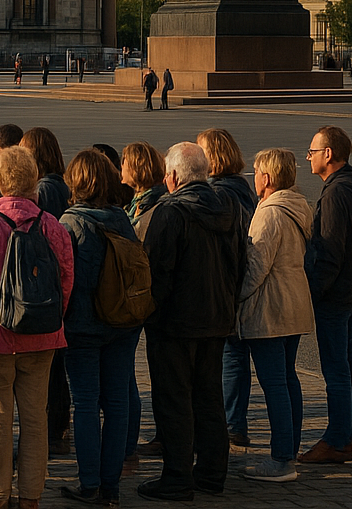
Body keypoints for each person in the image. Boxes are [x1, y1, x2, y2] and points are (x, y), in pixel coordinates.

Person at [0, 145, 75, 509]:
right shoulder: (52, 224)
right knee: (36, 418)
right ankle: (31, 496)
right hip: (42, 335)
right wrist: (52, 317)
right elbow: (66, 280)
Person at [139, 141, 245, 502]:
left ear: (171, 176)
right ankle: (213, 473)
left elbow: (157, 271)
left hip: (175, 322)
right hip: (216, 317)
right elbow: (241, 262)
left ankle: (177, 475)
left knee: (174, 400)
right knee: (209, 396)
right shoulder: (228, 205)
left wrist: (150, 314)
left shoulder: (170, 211)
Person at [60, 149, 143, 507]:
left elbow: (69, 281)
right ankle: (112, 487)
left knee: (85, 404)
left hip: (82, 328)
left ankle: (89, 483)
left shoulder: (71, 222)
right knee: (118, 403)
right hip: (122, 323)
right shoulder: (121, 218)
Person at [298, 126, 352, 465]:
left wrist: (312, 293)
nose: (309, 157)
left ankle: (337, 440)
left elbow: (328, 253)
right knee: (348, 363)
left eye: (313, 151)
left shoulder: (334, 194)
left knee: (336, 370)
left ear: (328, 154)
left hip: (337, 293)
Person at [236, 148, 313, 482]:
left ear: (266, 177)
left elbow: (256, 267)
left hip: (270, 308)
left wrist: (235, 299)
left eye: (255, 171)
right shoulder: (298, 205)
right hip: (295, 302)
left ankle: (282, 459)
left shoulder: (269, 212)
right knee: (288, 378)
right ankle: (290, 449)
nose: (253, 176)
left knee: (275, 384)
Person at [197, 129, 258, 451]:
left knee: (232, 356)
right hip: (235, 283)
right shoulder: (241, 187)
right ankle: (234, 422)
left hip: (228, 285)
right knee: (234, 356)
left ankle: (233, 423)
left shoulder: (223, 193)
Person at [21, 126, 71, 455]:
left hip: (46, 285)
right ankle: (59, 427)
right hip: (59, 285)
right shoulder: (62, 184)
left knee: (50, 369)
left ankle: (53, 431)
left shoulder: (44, 189)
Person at [120, 142, 168, 466]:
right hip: (140, 297)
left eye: (123, 162)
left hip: (143, 298)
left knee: (126, 376)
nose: (119, 168)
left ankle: (129, 449)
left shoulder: (153, 206)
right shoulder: (139, 202)